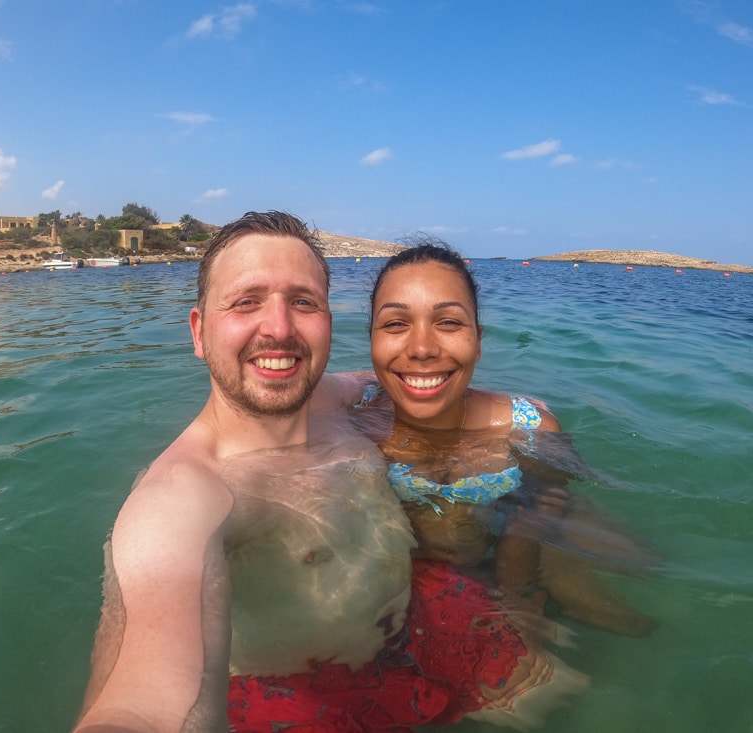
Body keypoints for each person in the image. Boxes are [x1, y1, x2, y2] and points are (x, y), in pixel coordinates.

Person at [75, 212, 585, 733]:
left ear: (328, 322)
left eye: (303, 302)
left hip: (417, 619)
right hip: (297, 689)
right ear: (200, 331)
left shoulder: (331, 397)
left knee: (568, 695)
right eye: (246, 301)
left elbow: (403, 371)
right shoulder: (187, 491)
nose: (278, 327)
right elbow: (145, 702)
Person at [348, 238, 657, 637]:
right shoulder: (351, 423)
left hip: (504, 560)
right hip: (406, 576)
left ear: (478, 340)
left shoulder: (530, 428)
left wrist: (516, 592)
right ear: (370, 338)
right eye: (395, 324)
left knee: (632, 610)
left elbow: (547, 504)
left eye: (448, 322)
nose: (422, 348)